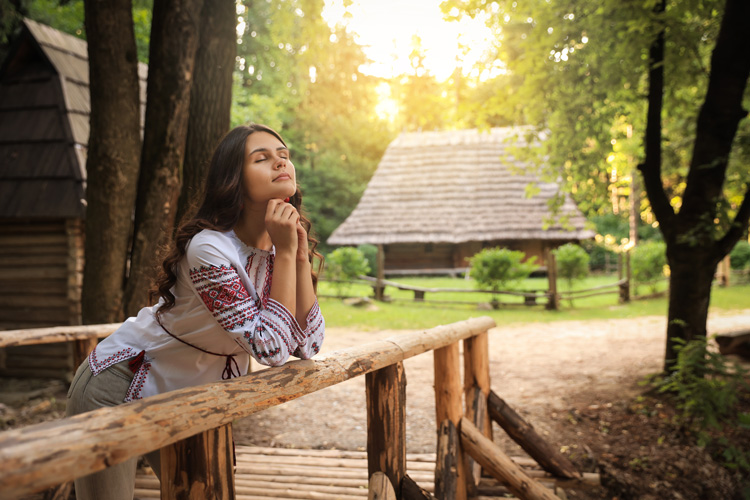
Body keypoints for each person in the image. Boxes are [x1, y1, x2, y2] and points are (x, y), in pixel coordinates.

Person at [66, 124, 325, 500]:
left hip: (194, 394)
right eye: (261, 158)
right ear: (233, 178)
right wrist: (286, 253)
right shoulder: (209, 249)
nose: (280, 162)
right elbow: (270, 350)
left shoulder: (278, 246)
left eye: (283, 155)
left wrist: (297, 255)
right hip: (119, 384)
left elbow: (309, 343)